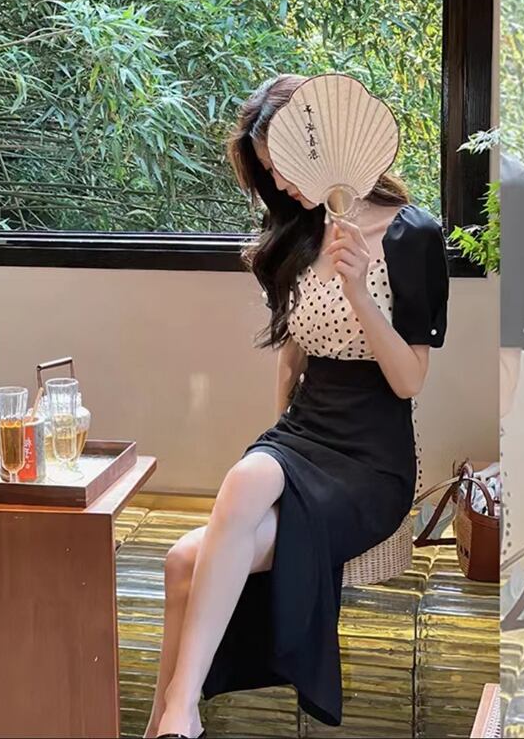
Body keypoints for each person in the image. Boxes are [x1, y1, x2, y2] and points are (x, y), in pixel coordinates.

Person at [149, 74, 450, 739]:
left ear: (322, 146)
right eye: (269, 172)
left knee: (187, 559)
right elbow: (291, 357)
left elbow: (409, 381)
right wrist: (277, 444)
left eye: (282, 165)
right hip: (303, 434)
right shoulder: (301, 230)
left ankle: (177, 711)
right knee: (234, 493)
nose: (280, 184)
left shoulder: (412, 235)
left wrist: (360, 292)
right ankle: (178, 714)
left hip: (371, 458)